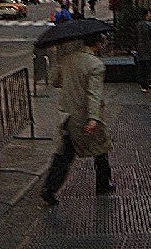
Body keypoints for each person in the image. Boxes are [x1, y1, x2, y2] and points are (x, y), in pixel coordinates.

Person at [41, 33, 114, 206]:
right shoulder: (96, 65)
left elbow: (54, 81)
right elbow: (93, 94)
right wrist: (93, 118)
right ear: (96, 44)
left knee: (64, 154)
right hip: (85, 115)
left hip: (67, 115)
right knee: (100, 149)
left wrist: (70, 80)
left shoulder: (67, 59)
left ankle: (49, 188)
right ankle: (103, 184)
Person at [135, 8, 151, 92]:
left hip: (141, 50)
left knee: (143, 69)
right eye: (149, 14)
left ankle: (144, 86)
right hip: (150, 50)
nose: (150, 15)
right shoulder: (150, 25)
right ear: (146, 15)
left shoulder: (138, 25)